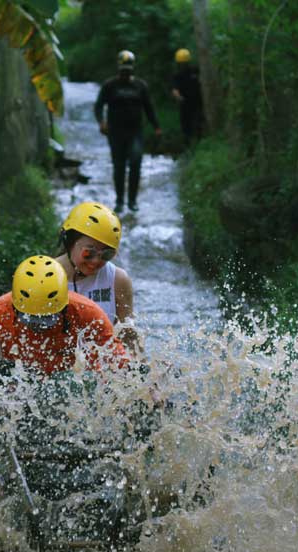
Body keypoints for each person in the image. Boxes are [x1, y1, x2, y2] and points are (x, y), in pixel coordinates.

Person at [0, 255, 129, 375]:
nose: (39, 327)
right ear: (15, 307)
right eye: (31, 319)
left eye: (48, 318)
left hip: (67, 377)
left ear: (64, 306)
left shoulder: (88, 313)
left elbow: (120, 361)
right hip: (17, 375)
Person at [54, 201, 142, 355]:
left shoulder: (118, 280)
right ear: (70, 241)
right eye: (89, 253)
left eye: (106, 255)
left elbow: (129, 341)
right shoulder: (43, 277)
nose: (95, 261)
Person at [94, 50, 161, 214]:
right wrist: (102, 122)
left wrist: (157, 127)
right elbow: (98, 105)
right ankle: (119, 201)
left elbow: (149, 108)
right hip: (116, 133)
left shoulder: (140, 86)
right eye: (123, 69)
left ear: (133, 68)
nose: (126, 72)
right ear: (118, 68)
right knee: (119, 166)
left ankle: (132, 201)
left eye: (128, 70)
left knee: (136, 163)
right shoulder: (110, 85)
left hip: (135, 132)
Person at [171, 48, 204, 147]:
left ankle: (198, 142)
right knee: (186, 126)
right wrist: (178, 97)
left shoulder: (195, 71)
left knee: (198, 123)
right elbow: (174, 89)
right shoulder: (177, 75)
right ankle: (188, 146)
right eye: (181, 64)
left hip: (198, 102)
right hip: (185, 103)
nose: (182, 65)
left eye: (183, 63)